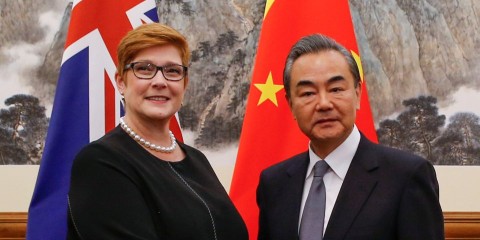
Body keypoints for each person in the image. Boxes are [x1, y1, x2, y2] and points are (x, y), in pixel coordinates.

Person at [67, 23, 248, 240]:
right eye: (144, 69)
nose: (160, 81)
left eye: (172, 71)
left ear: (184, 84)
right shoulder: (100, 162)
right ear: (121, 82)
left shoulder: (197, 160)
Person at [256, 34, 444, 240]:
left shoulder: (406, 176)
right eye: (308, 93)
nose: (324, 103)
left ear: (357, 94)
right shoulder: (274, 183)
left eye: (336, 89)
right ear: (291, 104)